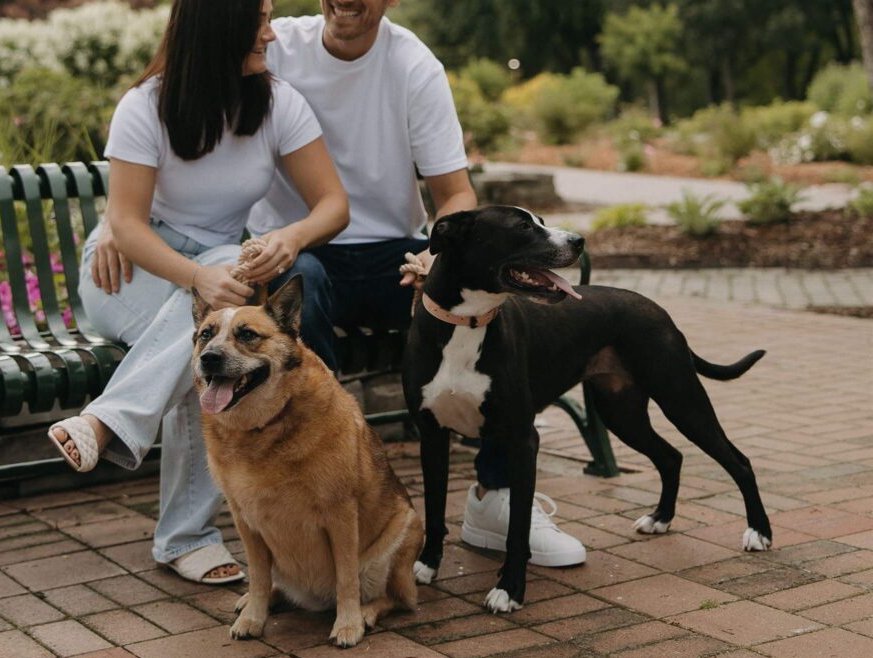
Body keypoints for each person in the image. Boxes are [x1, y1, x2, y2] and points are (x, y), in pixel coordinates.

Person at [249, 0, 586, 568]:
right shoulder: (275, 44)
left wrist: (432, 257)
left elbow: (455, 194)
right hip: (299, 250)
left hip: (392, 255)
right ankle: (313, 501)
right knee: (298, 289)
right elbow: (183, 83)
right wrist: (122, 221)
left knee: (487, 298)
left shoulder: (413, 65)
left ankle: (494, 496)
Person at [47, 0, 349, 584]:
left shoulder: (279, 102)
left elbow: (333, 205)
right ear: (218, 28)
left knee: (211, 344)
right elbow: (128, 226)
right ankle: (185, 536)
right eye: (259, 18)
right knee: (214, 328)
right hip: (129, 272)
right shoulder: (146, 106)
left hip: (216, 273)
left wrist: (290, 236)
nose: (272, 31)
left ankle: (106, 425)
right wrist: (192, 275)